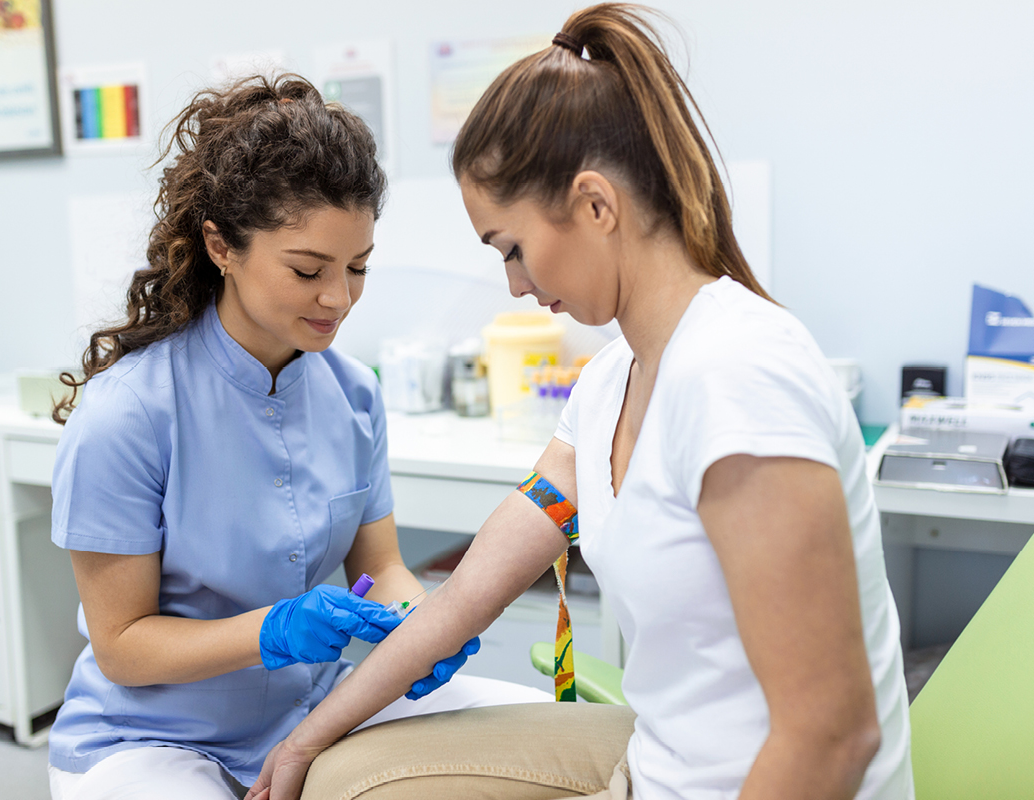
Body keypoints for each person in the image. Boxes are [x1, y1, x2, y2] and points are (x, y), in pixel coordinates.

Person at [245, 5, 914, 800]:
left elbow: (834, 737)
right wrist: (303, 741)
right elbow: (464, 597)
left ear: (597, 205)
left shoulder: (738, 379)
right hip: (654, 770)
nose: (516, 286)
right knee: (332, 775)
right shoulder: (610, 384)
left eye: (514, 249)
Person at [45, 73, 549, 800]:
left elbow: (384, 565)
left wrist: (418, 626)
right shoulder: (128, 413)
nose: (338, 299)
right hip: (148, 742)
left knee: (536, 735)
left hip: (312, 714)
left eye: (358, 268)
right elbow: (122, 647)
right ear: (221, 245)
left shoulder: (354, 395)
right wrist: (272, 631)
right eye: (308, 270)